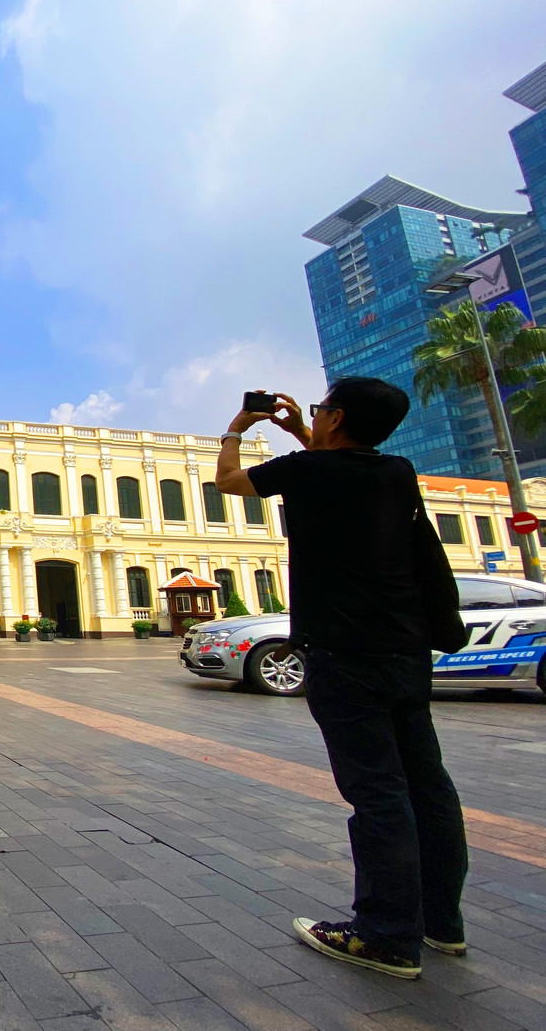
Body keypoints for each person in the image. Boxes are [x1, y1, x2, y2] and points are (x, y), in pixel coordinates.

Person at [214, 377, 468, 980]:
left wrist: (237, 429)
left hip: (343, 652)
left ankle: (385, 936)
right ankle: (441, 924)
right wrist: (305, 432)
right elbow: (342, 470)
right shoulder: (398, 472)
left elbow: (228, 481)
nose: (317, 414)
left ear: (337, 419)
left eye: (324, 409)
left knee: (377, 792)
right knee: (426, 784)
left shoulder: (305, 473)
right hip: (404, 649)